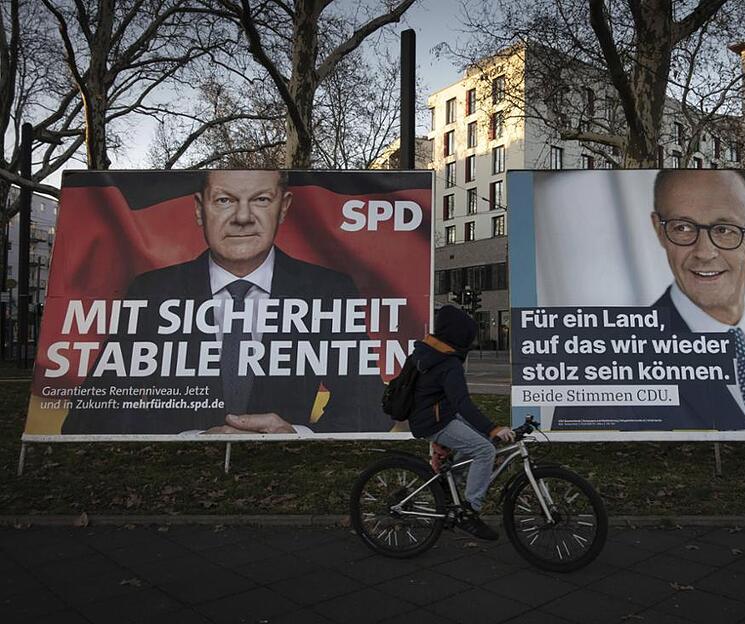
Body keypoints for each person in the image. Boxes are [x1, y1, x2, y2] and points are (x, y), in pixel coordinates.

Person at [61, 169, 389, 435]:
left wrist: (297, 435)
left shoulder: (328, 290)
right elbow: (90, 417)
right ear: (199, 209)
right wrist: (190, 439)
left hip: (286, 473)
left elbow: (372, 407)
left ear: (284, 207)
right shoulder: (152, 292)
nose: (243, 217)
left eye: (261, 199)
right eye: (224, 200)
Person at [555, 169, 745, 431]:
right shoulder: (602, 378)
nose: (704, 252)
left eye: (724, 229)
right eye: (683, 228)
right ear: (660, 231)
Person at [409, 305, 515, 540]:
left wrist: (487, 430)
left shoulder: (430, 351)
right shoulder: (449, 363)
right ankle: (469, 512)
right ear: (460, 335)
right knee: (485, 450)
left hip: (432, 413)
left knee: (481, 438)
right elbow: (463, 403)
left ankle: (447, 484)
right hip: (434, 420)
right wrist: (493, 428)